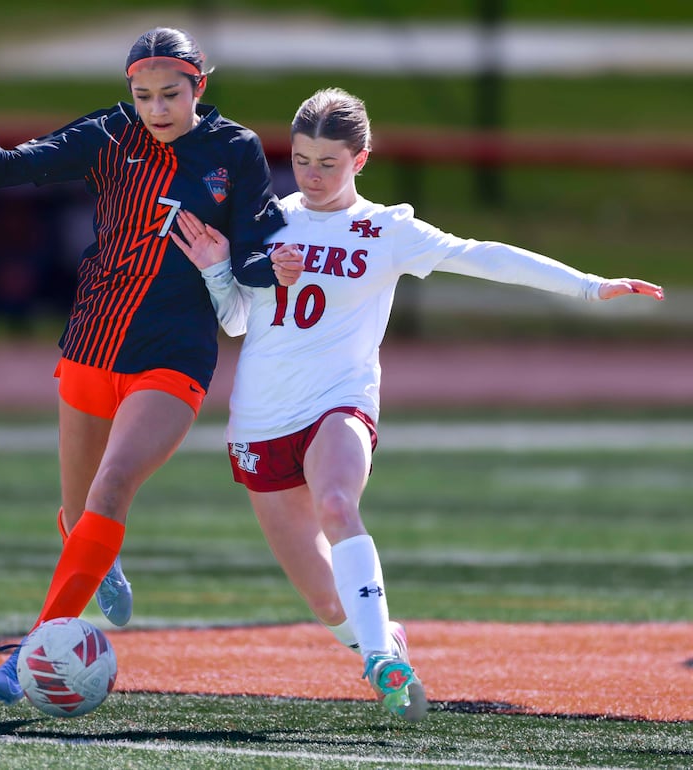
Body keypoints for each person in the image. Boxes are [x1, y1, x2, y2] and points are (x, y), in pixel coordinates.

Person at [171, 87, 665, 722]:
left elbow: (481, 257)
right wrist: (218, 267)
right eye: (300, 160)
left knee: (336, 504)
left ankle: (379, 659)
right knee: (327, 604)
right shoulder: (266, 218)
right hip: (262, 415)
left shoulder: (387, 229)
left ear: (361, 159)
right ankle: (380, 638)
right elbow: (237, 322)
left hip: (339, 400)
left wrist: (589, 286)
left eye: (329, 162)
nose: (312, 175)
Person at [0, 26, 300, 705]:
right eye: (143, 95)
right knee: (79, 516)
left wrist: (264, 266)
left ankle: (34, 648)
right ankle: (95, 557)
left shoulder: (235, 150)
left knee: (110, 492)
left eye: (171, 94)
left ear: (200, 85)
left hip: (174, 355)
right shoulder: (111, 134)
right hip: (90, 343)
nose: (157, 108)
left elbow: (258, 249)